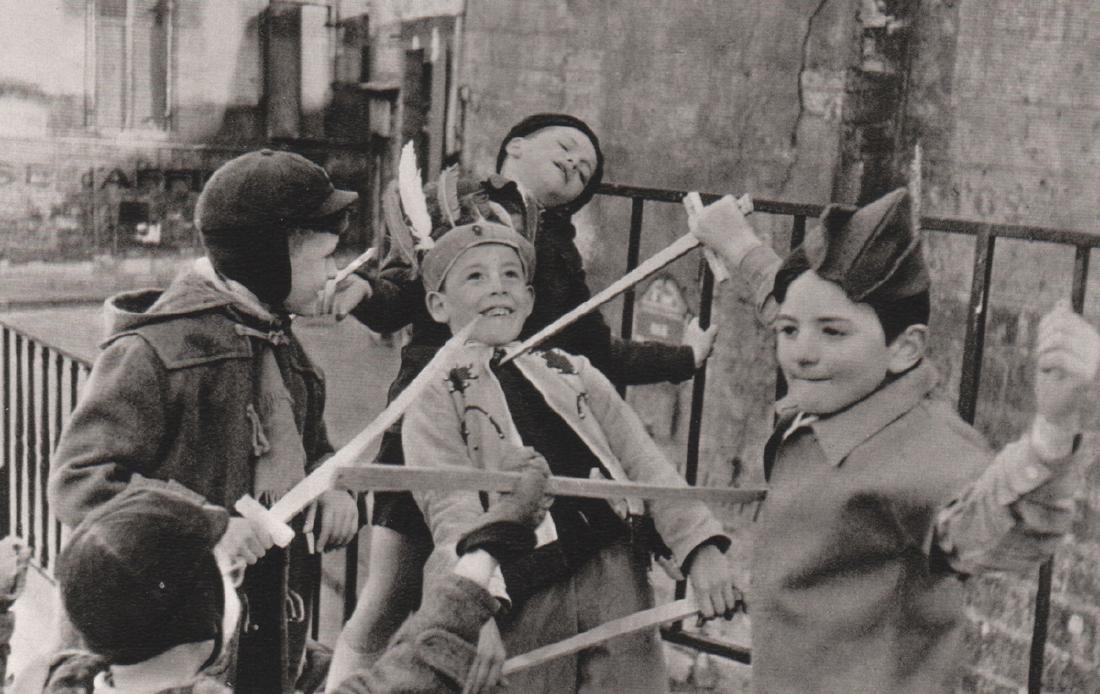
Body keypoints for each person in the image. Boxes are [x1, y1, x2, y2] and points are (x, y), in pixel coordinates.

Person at [326, 115, 718, 691]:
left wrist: (682, 359)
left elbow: (595, 348)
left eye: (586, 170)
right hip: (437, 410)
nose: (574, 166)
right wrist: (363, 293)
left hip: (521, 429)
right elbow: (404, 294)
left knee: (521, 597)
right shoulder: (450, 205)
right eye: (565, 147)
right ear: (515, 146)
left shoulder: (557, 251)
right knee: (389, 598)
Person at [690, 189, 1100, 693]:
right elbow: (792, 304)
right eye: (790, 332)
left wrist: (1053, 429)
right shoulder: (849, 385)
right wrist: (738, 243)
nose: (800, 353)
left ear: (905, 348)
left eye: (832, 334)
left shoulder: (923, 445)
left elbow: (999, 532)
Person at [47, 149, 361, 693]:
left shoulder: (284, 347)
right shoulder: (153, 352)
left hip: (253, 621)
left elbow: (312, 451)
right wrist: (206, 527)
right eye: (325, 258)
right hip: (157, 646)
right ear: (268, 259)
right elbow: (81, 483)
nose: (335, 273)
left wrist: (333, 486)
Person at [398, 201, 740, 694]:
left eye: (511, 275)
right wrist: (473, 607)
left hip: (613, 567)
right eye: (474, 277)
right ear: (438, 305)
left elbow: (643, 460)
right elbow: (449, 505)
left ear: (530, 297)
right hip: (518, 586)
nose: (498, 286)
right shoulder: (433, 392)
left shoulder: (570, 368)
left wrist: (700, 548)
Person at [38, 456, 555, 693]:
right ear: (201, 610)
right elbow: (406, 678)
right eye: (225, 572)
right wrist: (496, 535)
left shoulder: (60, 682)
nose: (237, 574)